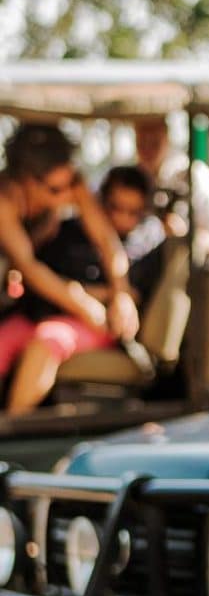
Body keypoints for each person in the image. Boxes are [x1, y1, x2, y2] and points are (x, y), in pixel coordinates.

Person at [0, 124, 140, 412]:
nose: (67, 196)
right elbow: (30, 268)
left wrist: (121, 293)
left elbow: (106, 240)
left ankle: (11, 434)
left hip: (61, 311)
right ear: (27, 180)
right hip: (37, 302)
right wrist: (83, 305)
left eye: (71, 184)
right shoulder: (6, 202)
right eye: (55, 190)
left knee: (46, 340)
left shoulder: (71, 185)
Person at [133, 116, 209, 256]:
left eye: (154, 142)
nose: (148, 149)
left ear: (166, 137)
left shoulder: (195, 176)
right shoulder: (131, 178)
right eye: (142, 143)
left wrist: (185, 235)